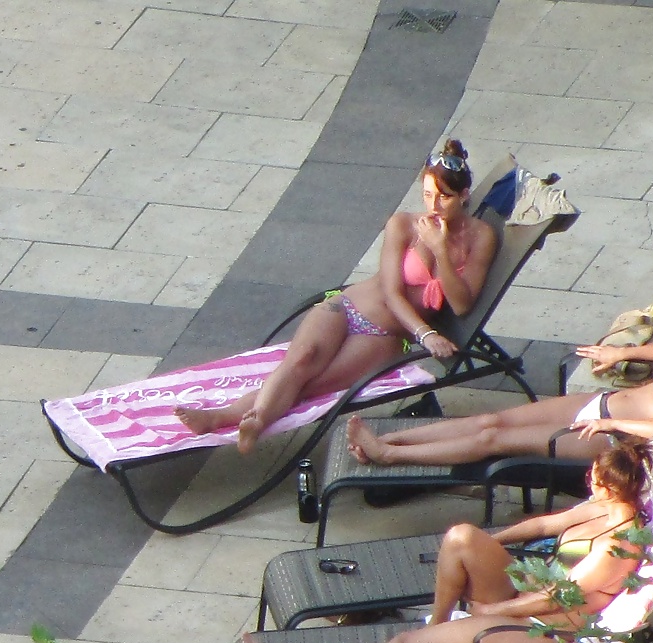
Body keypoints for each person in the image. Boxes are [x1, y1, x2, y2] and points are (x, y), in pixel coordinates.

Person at [176, 139, 498, 453]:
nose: (434, 205)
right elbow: (391, 291)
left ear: (464, 195)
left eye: (445, 197)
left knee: (314, 384)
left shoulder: (480, 238)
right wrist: (426, 333)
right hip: (346, 306)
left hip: (386, 335)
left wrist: (440, 248)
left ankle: (232, 418)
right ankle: (247, 420)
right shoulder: (403, 224)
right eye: (428, 195)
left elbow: (462, 303)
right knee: (301, 360)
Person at [243, 442, 651, 643]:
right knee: (461, 537)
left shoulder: (620, 545)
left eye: (592, 478)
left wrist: (494, 609)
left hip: (544, 630)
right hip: (527, 596)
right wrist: (491, 540)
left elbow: (556, 599)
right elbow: (549, 522)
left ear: (604, 484)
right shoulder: (603, 509)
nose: (588, 484)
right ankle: (440, 622)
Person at [345, 311, 653, 466]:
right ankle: (386, 439)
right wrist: (620, 355)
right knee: (488, 418)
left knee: (492, 438)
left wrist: (611, 421)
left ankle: (390, 454)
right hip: (603, 407)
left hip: (614, 436)